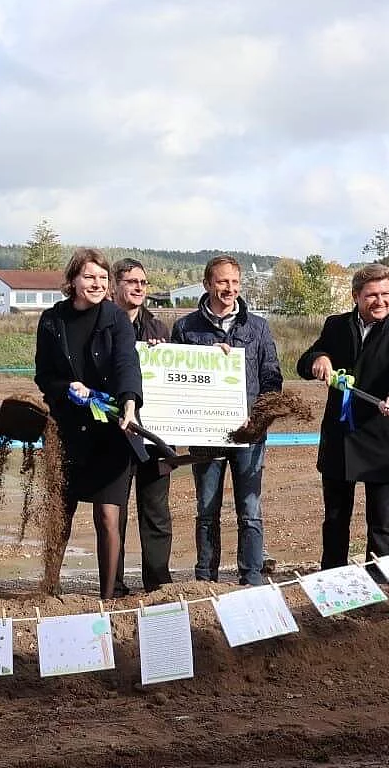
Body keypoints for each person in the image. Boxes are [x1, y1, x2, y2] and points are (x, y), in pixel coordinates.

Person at [34, 248, 144, 600]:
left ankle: (108, 597)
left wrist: (129, 400)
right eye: (89, 277)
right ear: (73, 281)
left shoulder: (116, 319)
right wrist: (67, 388)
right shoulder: (52, 321)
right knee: (59, 514)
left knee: (108, 519)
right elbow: (43, 375)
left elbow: (128, 363)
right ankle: (49, 589)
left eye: (102, 278)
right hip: (68, 432)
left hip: (110, 434)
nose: (96, 284)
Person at [297, 263, 389, 569]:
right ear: (356, 296)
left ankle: (381, 581)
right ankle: (333, 579)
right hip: (341, 437)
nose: (380, 301)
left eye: (385, 294)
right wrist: (320, 359)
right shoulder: (336, 326)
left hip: (382, 437)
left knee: (382, 523)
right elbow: (304, 362)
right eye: (372, 295)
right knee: (336, 519)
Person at [170, 255, 283, 584]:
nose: (229, 289)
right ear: (207, 284)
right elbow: (174, 377)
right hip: (206, 436)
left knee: (250, 511)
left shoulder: (258, 327)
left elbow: (272, 379)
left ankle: (252, 578)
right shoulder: (185, 328)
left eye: (234, 282)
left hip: (249, 435)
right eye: (222, 282)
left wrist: (257, 418)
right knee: (207, 510)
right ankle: (205, 578)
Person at [111, 257, 172, 594]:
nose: (138, 288)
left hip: (156, 435)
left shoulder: (159, 330)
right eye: (132, 282)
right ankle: (114, 584)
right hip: (116, 434)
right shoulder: (102, 323)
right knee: (114, 513)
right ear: (116, 286)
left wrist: (165, 353)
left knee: (156, 513)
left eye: (143, 283)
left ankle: (159, 583)